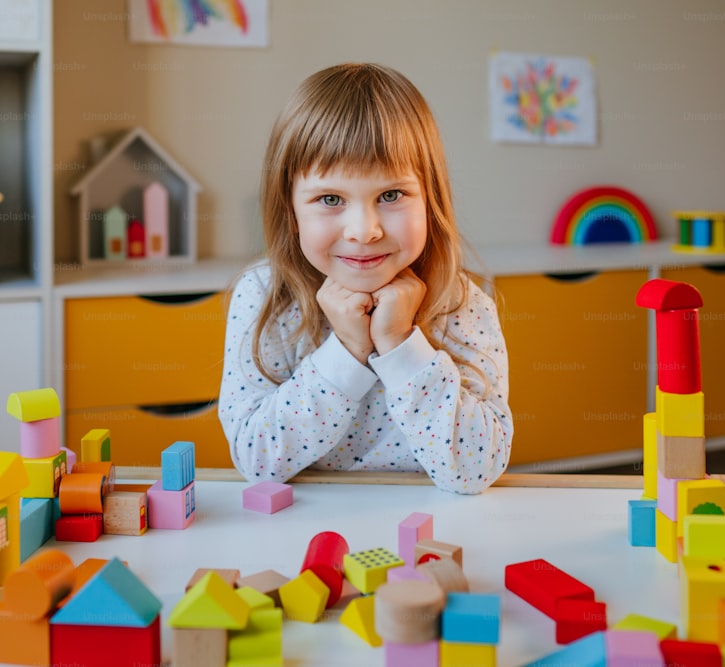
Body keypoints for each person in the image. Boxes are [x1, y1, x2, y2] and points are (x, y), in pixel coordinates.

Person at [218, 63, 512, 494]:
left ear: (430, 199)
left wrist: (399, 343)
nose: (364, 230)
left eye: (390, 195)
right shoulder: (263, 296)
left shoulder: (463, 304)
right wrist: (349, 350)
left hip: (430, 531)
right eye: (331, 198)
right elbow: (258, 463)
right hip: (304, 535)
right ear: (290, 209)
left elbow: (476, 470)